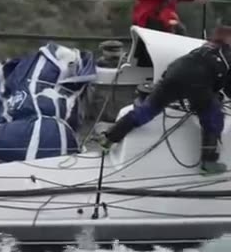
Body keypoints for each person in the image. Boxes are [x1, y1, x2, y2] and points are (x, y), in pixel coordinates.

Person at [96, 25, 230, 175]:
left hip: (173, 73)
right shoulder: (226, 54)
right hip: (198, 83)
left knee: (146, 110)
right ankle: (208, 162)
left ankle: (109, 138)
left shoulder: (205, 47)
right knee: (213, 117)